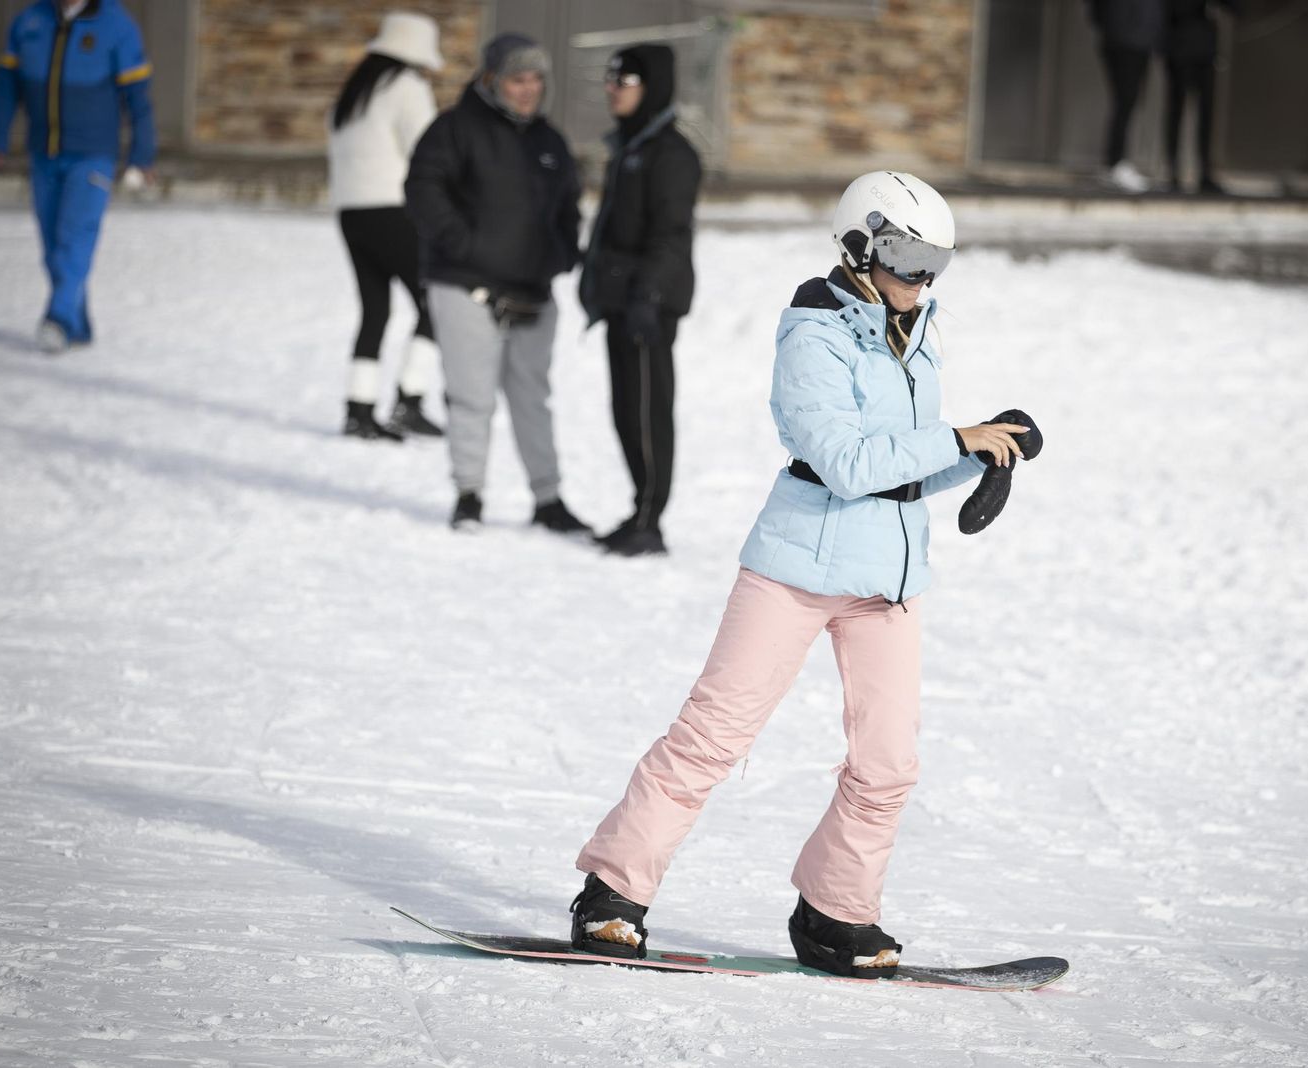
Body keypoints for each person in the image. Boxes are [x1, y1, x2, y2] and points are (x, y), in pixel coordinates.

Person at [568, 172, 1031, 977]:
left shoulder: (915, 335)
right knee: (712, 738)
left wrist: (986, 447)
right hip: (795, 565)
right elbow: (848, 462)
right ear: (861, 243)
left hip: (887, 579)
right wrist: (959, 437)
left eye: (937, 264)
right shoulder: (813, 332)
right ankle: (612, 894)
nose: (922, 280)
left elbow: (906, 470)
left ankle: (834, 915)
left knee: (887, 766)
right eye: (908, 256)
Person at [404, 33, 589, 534]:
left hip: (533, 292)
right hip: (466, 287)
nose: (528, 89)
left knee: (532, 397)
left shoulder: (549, 140)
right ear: (491, 79)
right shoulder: (454, 129)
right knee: (472, 397)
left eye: (536, 79)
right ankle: (469, 495)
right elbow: (422, 188)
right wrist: (465, 246)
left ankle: (548, 499)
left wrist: (562, 253)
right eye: (517, 78)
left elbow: (569, 207)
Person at [579, 45, 702, 558]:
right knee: (625, 410)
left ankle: (651, 520)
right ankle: (639, 508)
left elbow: (669, 235)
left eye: (623, 78)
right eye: (609, 78)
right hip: (621, 300)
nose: (612, 87)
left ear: (650, 85)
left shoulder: (670, 154)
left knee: (649, 412)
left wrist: (647, 298)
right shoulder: (631, 147)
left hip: (647, 307)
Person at [0, 0, 156, 352]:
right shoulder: (29, 22)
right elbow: (6, 86)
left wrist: (142, 155)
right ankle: (77, 325)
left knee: (75, 238)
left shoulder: (115, 26)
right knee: (51, 248)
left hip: (93, 155)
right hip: (43, 153)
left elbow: (139, 99)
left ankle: (58, 318)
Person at [328, 12, 445, 442]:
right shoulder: (407, 88)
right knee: (435, 301)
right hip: (392, 209)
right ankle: (409, 403)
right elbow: (428, 150)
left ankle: (358, 410)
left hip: (350, 213)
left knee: (375, 308)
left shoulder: (355, 91)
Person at [1086, 0, 1164, 193]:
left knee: (1129, 101)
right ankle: (1116, 162)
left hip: (1137, 37)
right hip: (1125, 36)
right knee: (1125, 100)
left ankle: (1118, 162)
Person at [1162, 0, 1234, 194]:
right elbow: (1172, 9)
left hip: (1206, 52)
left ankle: (1205, 171)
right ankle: (1172, 170)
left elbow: (1236, 8)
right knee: (1177, 110)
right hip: (1179, 49)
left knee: (1207, 114)